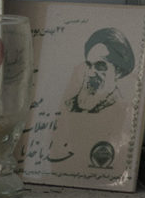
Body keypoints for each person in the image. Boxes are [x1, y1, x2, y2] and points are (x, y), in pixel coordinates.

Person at [45, 25, 136, 173]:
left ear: (118, 71)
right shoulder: (72, 103)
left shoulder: (124, 109)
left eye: (100, 66)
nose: (91, 73)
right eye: (89, 65)